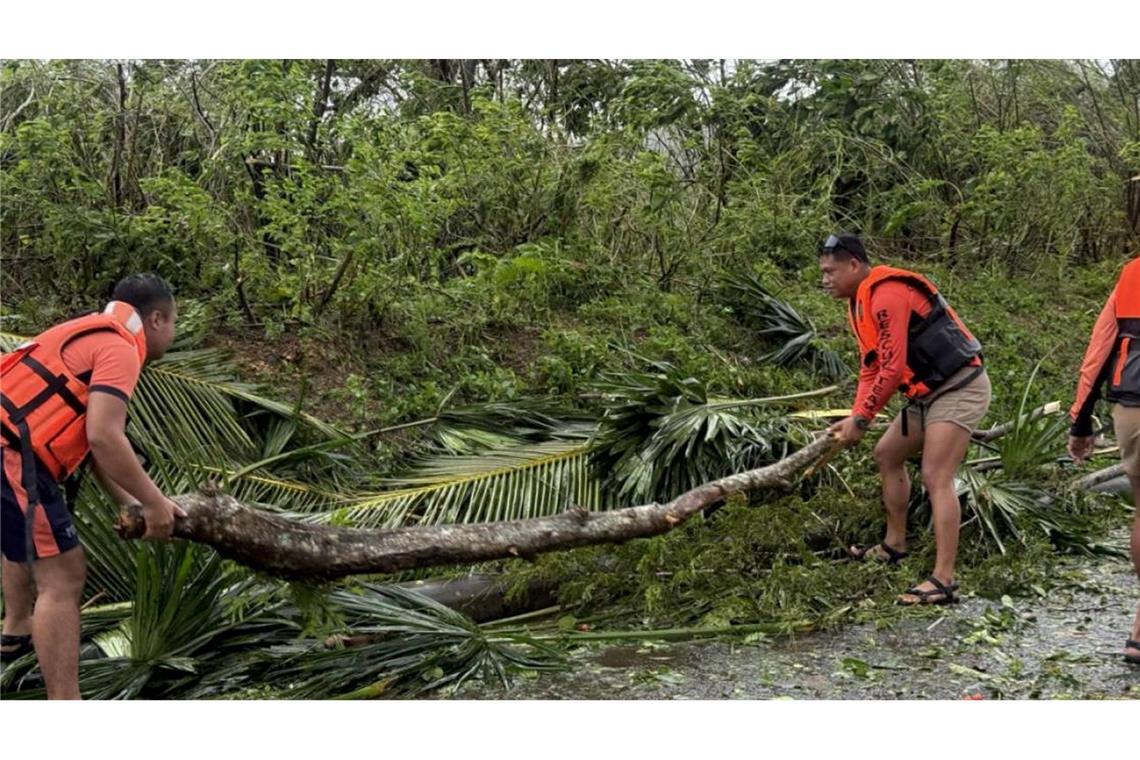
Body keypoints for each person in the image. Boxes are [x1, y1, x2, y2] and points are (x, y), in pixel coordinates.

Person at [0, 273, 185, 698]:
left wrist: (137, 504)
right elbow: (105, 435)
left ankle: (16, 631)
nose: (173, 333)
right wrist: (157, 505)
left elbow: (90, 444)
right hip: (11, 454)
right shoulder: (120, 348)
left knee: (24, 540)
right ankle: (66, 704)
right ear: (156, 319)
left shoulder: (87, 332)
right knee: (63, 576)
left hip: (11, 449)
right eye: (174, 323)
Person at [819, 233, 991, 605]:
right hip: (926, 394)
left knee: (936, 475)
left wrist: (862, 420)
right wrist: (856, 416)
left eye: (831, 271)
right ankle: (894, 545)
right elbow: (872, 370)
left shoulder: (887, 294)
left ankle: (945, 579)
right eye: (822, 273)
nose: (825, 279)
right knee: (887, 454)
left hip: (959, 387)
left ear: (853, 265)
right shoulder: (858, 305)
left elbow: (894, 367)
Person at [1067, 256, 1140, 665]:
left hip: (1132, 406)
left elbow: (1100, 351)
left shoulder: (1131, 273)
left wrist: (1081, 422)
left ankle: (1139, 631)